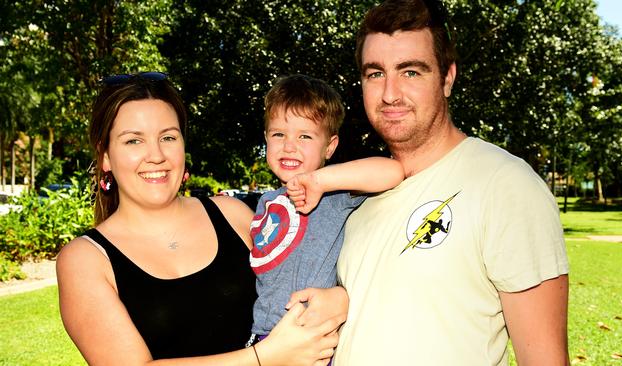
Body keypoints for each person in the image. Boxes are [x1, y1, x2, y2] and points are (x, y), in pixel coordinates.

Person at [334, 1, 570, 365]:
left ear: (447, 78)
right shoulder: (354, 196)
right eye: (375, 73)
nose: (390, 94)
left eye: (411, 72)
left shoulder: (504, 184)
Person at [56, 72, 345, 365]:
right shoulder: (85, 259)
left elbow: (307, 268)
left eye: (168, 137)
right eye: (133, 141)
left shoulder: (232, 215)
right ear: (105, 156)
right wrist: (265, 357)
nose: (155, 155)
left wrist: (340, 298)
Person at [249, 74, 404, 345]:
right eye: (278, 134)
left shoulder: (332, 193)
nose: (289, 146)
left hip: (311, 339)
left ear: (329, 147)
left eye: (305, 136)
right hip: (264, 337)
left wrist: (320, 181)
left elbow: (392, 170)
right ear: (266, 138)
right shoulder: (266, 202)